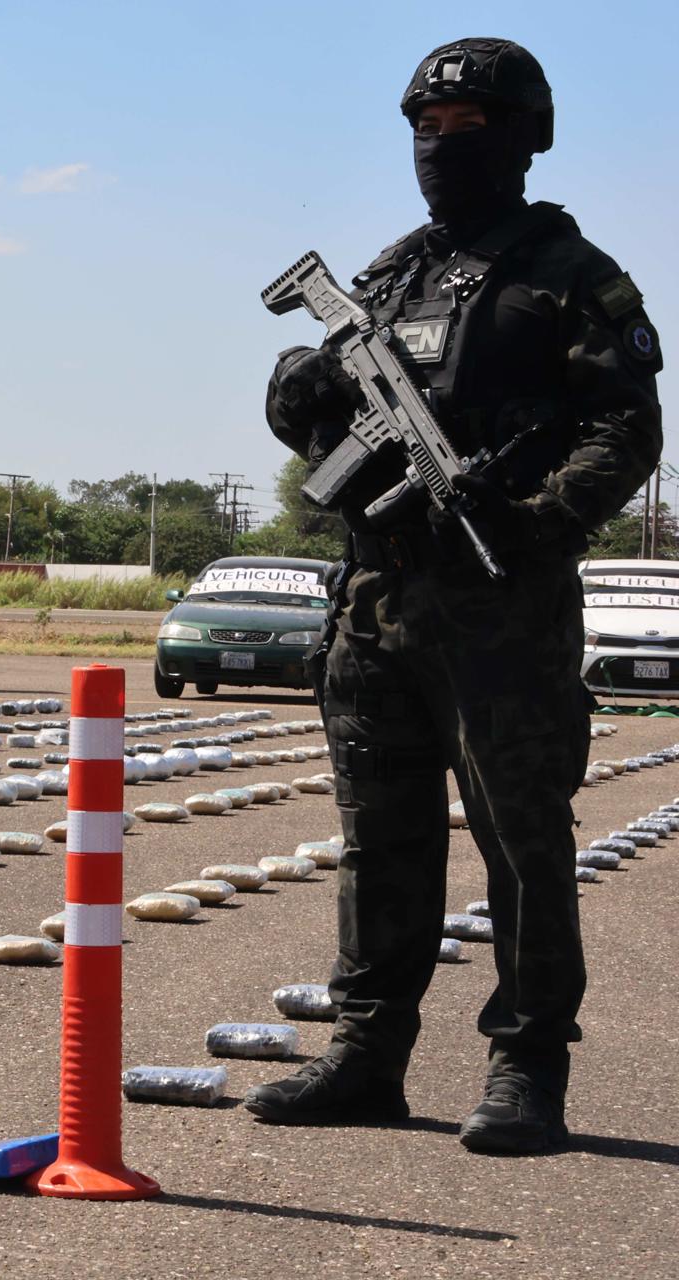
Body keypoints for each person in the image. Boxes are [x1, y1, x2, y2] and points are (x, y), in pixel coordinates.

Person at [250, 38, 661, 1153]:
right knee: (378, 837)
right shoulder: (391, 276)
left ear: (526, 136)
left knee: (521, 842)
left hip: (501, 603)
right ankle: (366, 1052)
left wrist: (534, 516)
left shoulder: (570, 276)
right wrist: (299, 387)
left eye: (466, 127)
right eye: (425, 129)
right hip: (375, 601)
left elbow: (627, 428)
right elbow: (306, 423)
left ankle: (527, 1063)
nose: (440, 148)